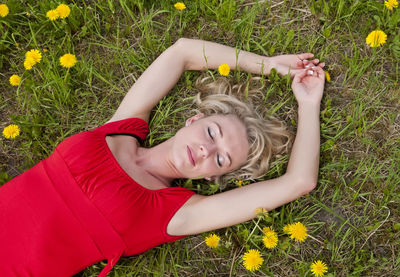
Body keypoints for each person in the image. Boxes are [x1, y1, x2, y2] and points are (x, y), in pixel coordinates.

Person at [0, 38, 325, 277]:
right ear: (193, 121)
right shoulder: (121, 129)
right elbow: (181, 52)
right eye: (212, 134)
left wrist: (308, 105)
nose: (206, 150)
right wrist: (267, 64)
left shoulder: (176, 213)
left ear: (215, 177)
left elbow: (299, 181)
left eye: (222, 159)